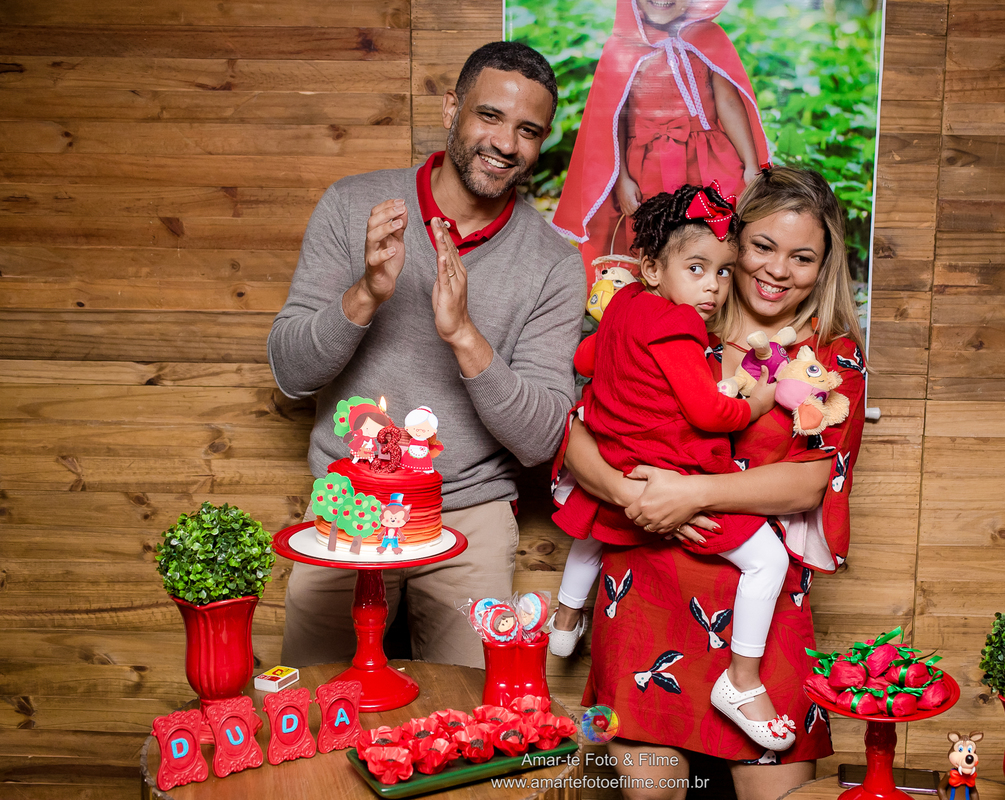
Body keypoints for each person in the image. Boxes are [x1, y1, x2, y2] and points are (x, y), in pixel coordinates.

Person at [268, 41, 585, 669]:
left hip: (470, 512)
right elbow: (290, 374)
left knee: (474, 729)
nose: (505, 143)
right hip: (350, 510)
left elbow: (543, 435)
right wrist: (365, 295)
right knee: (311, 707)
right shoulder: (353, 206)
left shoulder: (553, 262)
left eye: (528, 131)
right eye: (489, 116)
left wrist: (465, 336)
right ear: (451, 110)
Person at [555, 166, 866, 799]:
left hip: (762, 625)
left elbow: (812, 483)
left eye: (802, 257)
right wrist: (634, 496)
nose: (779, 270)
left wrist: (692, 493)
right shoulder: (667, 323)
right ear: (733, 242)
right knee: (655, 793)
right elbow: (579, 434)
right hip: (649, 599)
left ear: (823, 266)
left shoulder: (830, 358)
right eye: (762, 248)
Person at [548, 183, 797, 750]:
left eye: (723, 271)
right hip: (670, 462)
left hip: (613, 447)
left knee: (596, 524)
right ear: (653, 268)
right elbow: (710, 412)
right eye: (697, 268)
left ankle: (564, 620)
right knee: (767, 559)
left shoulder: (624, 305)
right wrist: (758, 398)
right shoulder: (679, 325)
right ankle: (742, 680)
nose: (712, 286)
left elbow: (586, 358)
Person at [554, 0, 771, 283]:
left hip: (707, 161)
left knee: (719, 227)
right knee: (652, 237)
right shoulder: (620, 48)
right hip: (647, 166)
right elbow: (613, 117)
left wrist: (751, 164)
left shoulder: (709, 37)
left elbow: (728, 102)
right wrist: (621, 179)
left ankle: (718, 299)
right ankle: (652, 307)